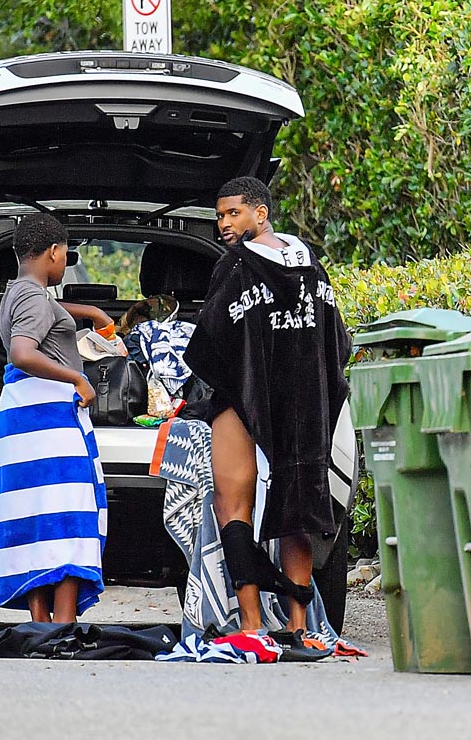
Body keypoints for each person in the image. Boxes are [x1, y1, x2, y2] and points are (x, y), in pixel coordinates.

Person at [183, 176, 351, 637]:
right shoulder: (313, 267)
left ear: (262, 213)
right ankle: (299, 627)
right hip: (305, 403)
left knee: (232, 503)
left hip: (243, 397)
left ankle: (252, 625)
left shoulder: (236, 266)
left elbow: (211, 343)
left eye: (233, 213)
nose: (223, 224)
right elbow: (337, 343)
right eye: (219, 215)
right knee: (295, 504)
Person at [0, 212, 111, 623]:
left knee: (36, 519)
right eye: (65, 255)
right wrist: (77, 377)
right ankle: (64, 624)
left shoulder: (19, 290)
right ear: (55, 252)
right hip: (47, 419)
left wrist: (90, 311)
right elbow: (23, 352)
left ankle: (41, 626)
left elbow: (44, 307)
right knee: (68, 518)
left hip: (22, 418)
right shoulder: (33, 297)